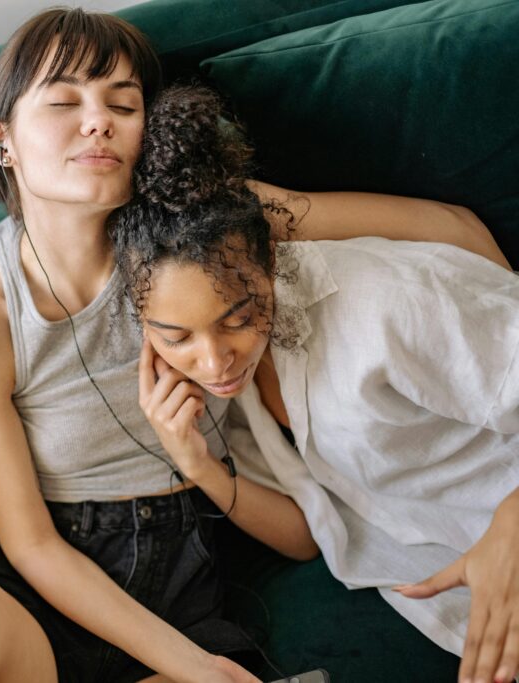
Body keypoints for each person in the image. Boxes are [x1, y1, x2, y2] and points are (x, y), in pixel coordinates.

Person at [0, 9, 512, 683]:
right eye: (64, 101)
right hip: (60, 584)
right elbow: (29, 543)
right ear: (3, 142)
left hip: (189, 572)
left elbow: (446, 225)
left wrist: (501, 324)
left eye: (123, 102)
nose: (99, 120)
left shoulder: (200, 232)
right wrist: (194, 665)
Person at [109, 82, 518, 683]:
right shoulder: (220, 395)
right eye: (176, 336)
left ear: (270, 263)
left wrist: (512, 522)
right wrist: (195, 464)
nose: (217, 359)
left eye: (241, 317)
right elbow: (308, 535)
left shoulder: (383, 305)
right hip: (469, 617)